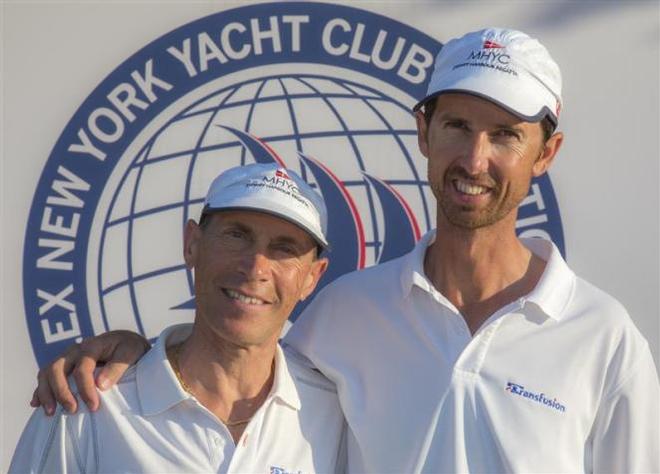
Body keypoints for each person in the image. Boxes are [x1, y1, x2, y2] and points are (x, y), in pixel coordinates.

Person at [27, 28, 659, 473]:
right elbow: (231, 361)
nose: (475, 159)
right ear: (423, 132)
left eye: (505, 136)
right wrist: (132, 355)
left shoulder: (603, 338)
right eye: (457, 126)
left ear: (546, 153)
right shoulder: (344, 314)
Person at [11, 163, 347, 473]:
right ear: (192, 244)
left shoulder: (339, 415)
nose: (255, 268)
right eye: (236, 236)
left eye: (284, 249)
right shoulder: (85, 403)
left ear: (312, 278)